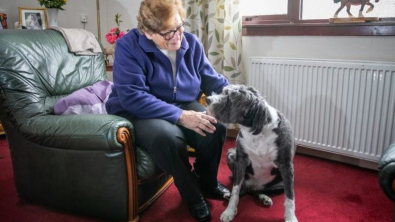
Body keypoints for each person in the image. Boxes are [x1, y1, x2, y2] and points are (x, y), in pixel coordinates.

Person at [105, 0, 230, 221]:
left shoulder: (190, 42)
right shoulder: (128, 46)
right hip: (139, 109)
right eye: (167, 33)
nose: (177, 36)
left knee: (216, 126)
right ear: (146, 32)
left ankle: (207, 181)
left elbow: (213, 80)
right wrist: (180, 117)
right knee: (168, 137)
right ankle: (192, 195)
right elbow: (133, 96)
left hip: (180, 102)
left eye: (179, 26)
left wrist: (240, 96)